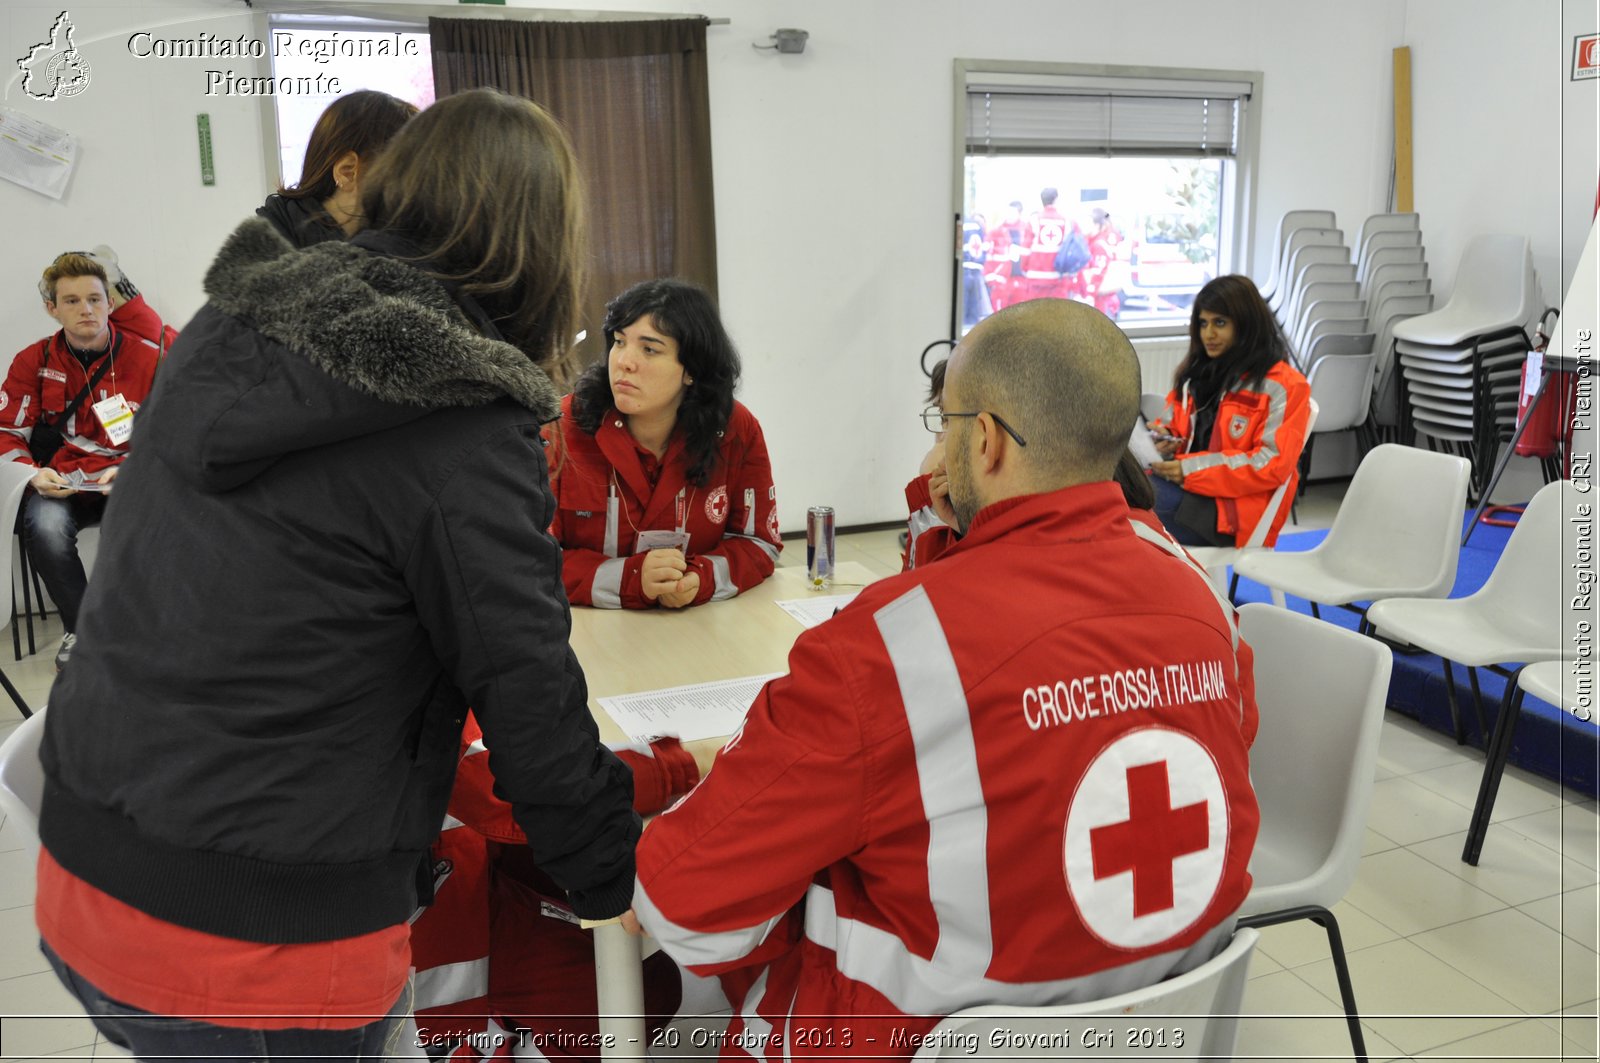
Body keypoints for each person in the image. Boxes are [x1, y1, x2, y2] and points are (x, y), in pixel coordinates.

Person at [35, 88, 639, 1061]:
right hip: (254, 934)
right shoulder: (463, 419)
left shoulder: (225, 330)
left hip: (88, 868)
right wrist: (615, 883)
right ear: (538, 243)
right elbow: (527, 691)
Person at [627, 298, 1260, 1059]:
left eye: (947, 425)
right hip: (1162, 1025)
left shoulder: (885, 646)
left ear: (984, 440)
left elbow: (683, 905)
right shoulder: (1199, 596)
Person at [546, 279, 781, 609]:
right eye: (619, 342)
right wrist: (631, 578)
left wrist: (701, 579)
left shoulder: (734, 430)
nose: (624, 362)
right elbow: (527, 559)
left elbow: (759, 543)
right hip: (587, 632)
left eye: (649, 349)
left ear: (691, 370)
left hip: (693, 631)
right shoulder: (559, 427)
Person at [1, 251, 170, 668]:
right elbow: (6, 432)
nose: (86, 309)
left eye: (95, 299)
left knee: (151, 522)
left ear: (110, 304)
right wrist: (33, 475)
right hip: (63, 480)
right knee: (42, 525)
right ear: (52, 309)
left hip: (130, 477)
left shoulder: (151, 356)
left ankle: (148, 628)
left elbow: (179, 431)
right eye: (72, 301)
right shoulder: (33, 361)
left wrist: (138, 469)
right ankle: (83, 631)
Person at [904, 359, 1155, 570]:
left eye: (948, 418)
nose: (941, 438)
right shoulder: (1085, 497)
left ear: (988, 434)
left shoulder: (1063, 533)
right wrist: (962, 526)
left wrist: (927, 505)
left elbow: (927, 598)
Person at [1149, 274, 1312, 548]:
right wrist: (1162, 440)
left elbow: (1270, 464)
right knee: (1118, 489)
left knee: (1127, 504)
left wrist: (1190, 470)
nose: (1208, 334)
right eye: (1203, 323)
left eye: (1220, 323)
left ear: (1246, 325)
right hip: (1190, 492)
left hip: (1235, 513)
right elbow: (1173, 426)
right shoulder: (1196, 374)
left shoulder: (1285, 385)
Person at [256, 88, 418, 248]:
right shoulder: (262, 253)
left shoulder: (411, 245)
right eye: (405, 169)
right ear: (347, 172)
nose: (420, 185)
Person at [983, 200, 1028, 311]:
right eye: (1008, 212)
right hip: (1002, 278)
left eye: (1012, 213)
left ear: (1019, 213)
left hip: (1021, 277)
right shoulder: (997, 231)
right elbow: (988, 253)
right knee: (1000, 313)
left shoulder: (1026, 230)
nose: (1009, 216)